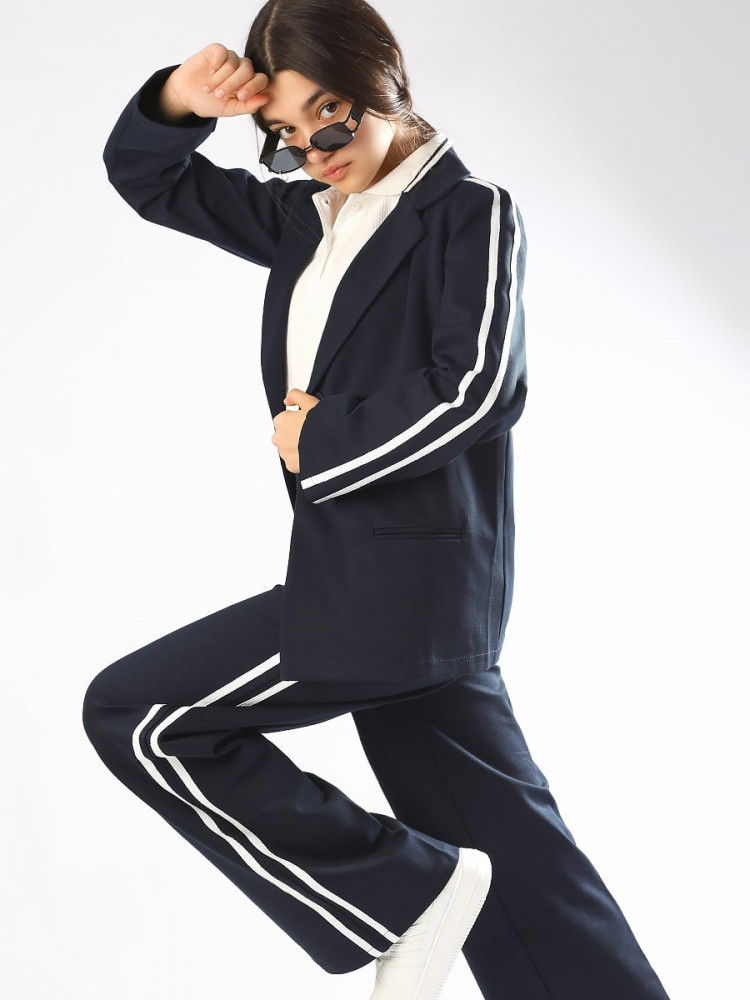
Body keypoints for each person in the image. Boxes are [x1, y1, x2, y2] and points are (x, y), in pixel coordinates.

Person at [82, 1, 671, 997]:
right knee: (521, 865)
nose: (313, 152)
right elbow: (154, 180)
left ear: (383, 82)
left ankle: (409, 890)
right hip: (361, 571)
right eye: (284, 135)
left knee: (140, 713)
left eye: (330, 116)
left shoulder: (469, 211)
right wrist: (180, 99)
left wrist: (319, 439)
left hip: (406, 584)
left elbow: (480, 387)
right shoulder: (306, 219)